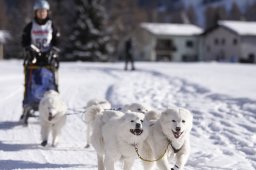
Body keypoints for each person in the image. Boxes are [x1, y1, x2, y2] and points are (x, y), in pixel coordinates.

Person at [22, 0, 60, 66]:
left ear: (47, 12)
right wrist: (29, 49)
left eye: (44, 11)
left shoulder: (51, 26)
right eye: (39, 11)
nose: (42, 13)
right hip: (34, 55)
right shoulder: (30, 26)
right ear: (35, 12)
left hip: (48, 56)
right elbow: (24, 40)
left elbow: (57, 40)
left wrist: (54, 50)